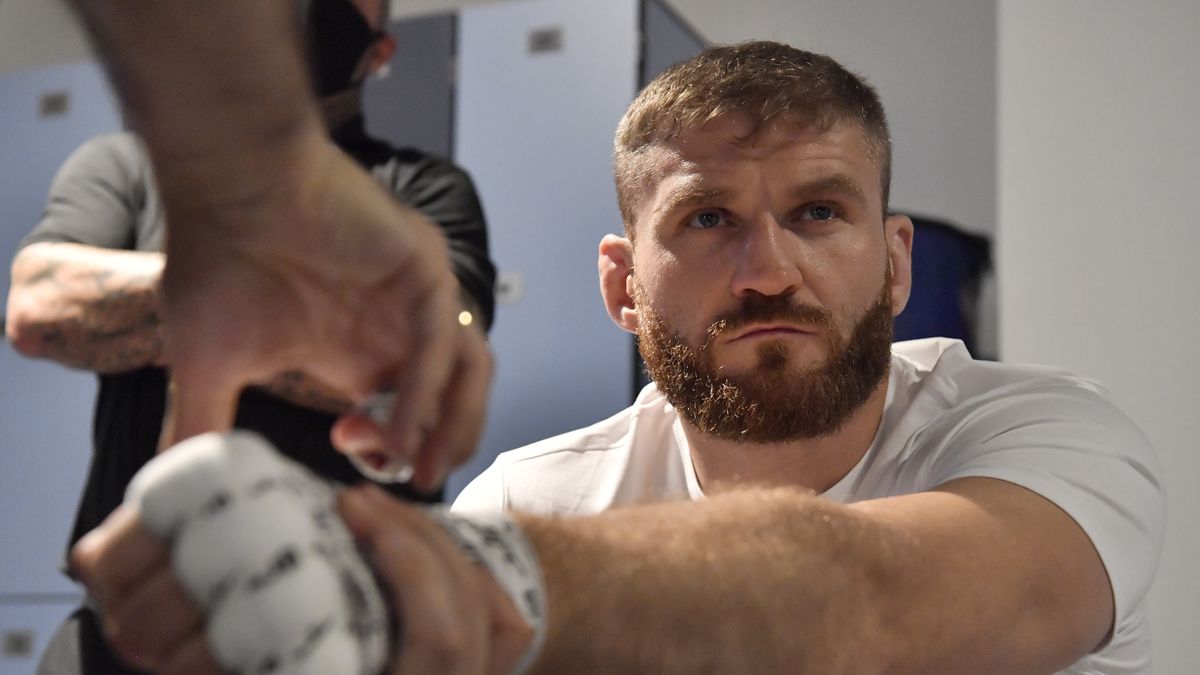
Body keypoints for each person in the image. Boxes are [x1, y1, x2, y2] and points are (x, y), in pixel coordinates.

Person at [68, 30, 1166, 675]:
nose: (768, 269)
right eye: (706, 220)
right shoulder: (531, 495)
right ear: (620, 289)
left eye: (819, 213)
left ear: (893, 262)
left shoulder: (1053, 439)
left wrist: (458, 582)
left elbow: (872, 598)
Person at [5, 1, 495, 672]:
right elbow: (40, 306)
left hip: (346, 621)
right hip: (130, 610)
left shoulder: (425, 189)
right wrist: (264, 304)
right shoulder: (127, 165)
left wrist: (172, 310)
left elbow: (430, 365)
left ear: (377, 53)